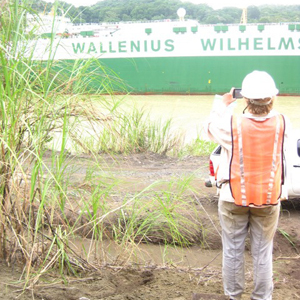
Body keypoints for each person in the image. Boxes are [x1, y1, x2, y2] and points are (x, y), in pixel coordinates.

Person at [204, 70, 291, 300]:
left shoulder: (232, 125)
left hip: (233, 198)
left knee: (233, 250)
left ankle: (234, 296)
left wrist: (223, 104)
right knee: (263, 252)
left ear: (245, 98)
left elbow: (209, 127)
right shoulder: (283, 123)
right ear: (272, 99)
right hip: (269, 199)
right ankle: (262, 298)